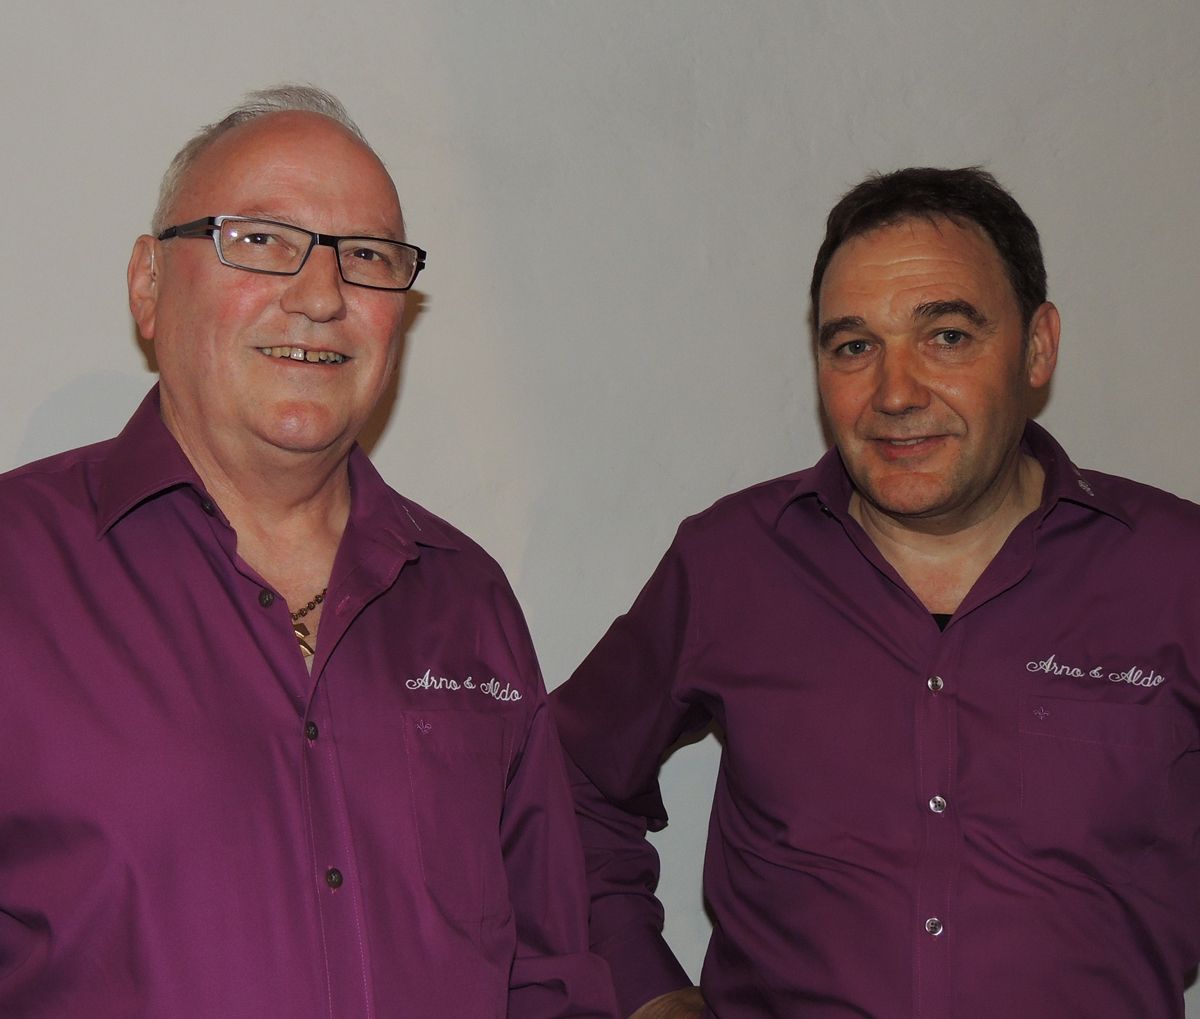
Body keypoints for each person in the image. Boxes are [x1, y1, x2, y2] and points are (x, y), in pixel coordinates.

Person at [0, 85, 616, 1018]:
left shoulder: (466, 600)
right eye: (259, 239)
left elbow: (549, 974)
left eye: (366, 257)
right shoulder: (19, 568)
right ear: (148, 284)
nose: (322, 296)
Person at [551, 167, 1200, 1018]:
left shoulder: (1174, 569)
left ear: (1038, 347)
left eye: (947, 336)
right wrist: (645, 989)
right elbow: (560, 780)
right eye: (854, 346)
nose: (895, 393)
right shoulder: (733, 563)